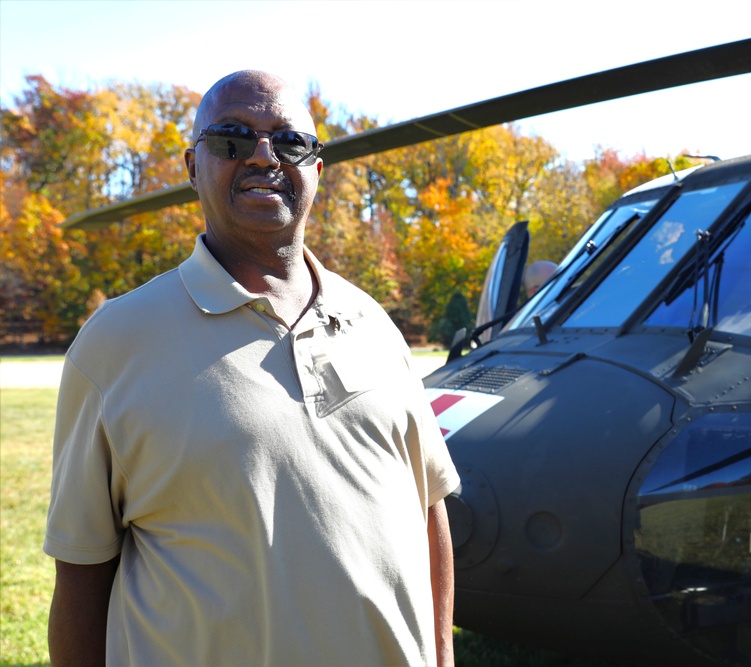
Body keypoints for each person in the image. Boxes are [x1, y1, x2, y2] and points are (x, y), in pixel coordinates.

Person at [45, 71, 460, 667]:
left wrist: (443, 655)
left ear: (317, 167)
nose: (265, 156)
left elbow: (428, 506)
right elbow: (82, 574)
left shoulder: (373, 322)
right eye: (234, 139)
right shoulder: (114, 343)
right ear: (193, 166)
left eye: (290, 142)